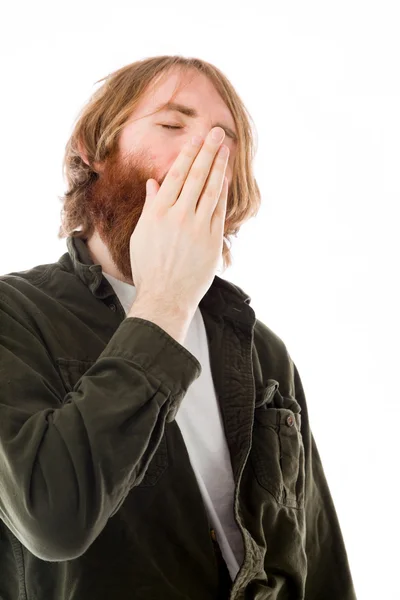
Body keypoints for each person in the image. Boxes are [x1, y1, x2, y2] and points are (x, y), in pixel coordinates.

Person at [0, 55, 357, 600]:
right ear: (92, 151)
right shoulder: (14, 316)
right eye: (172, 124)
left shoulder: (265, 354)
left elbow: (321, 565)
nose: (206, 153)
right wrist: (164, 302)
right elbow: (52, 519)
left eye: (225, 139)